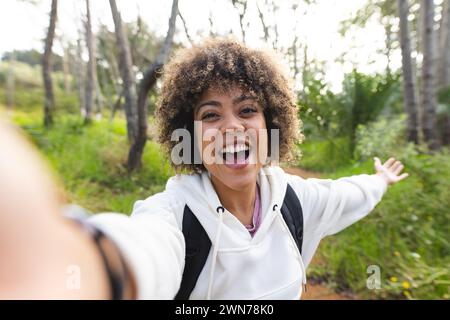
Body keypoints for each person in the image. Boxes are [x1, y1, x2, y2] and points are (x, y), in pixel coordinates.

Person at [0, 38, 409, 300]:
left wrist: (380, 180)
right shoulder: (175, 216)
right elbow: (146, 247)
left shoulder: (297, 201)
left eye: (247, 110)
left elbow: (352, 193)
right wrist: (91, 266)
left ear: (270, 125)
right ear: (190, 133)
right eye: (211, 114)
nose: (232, 127)